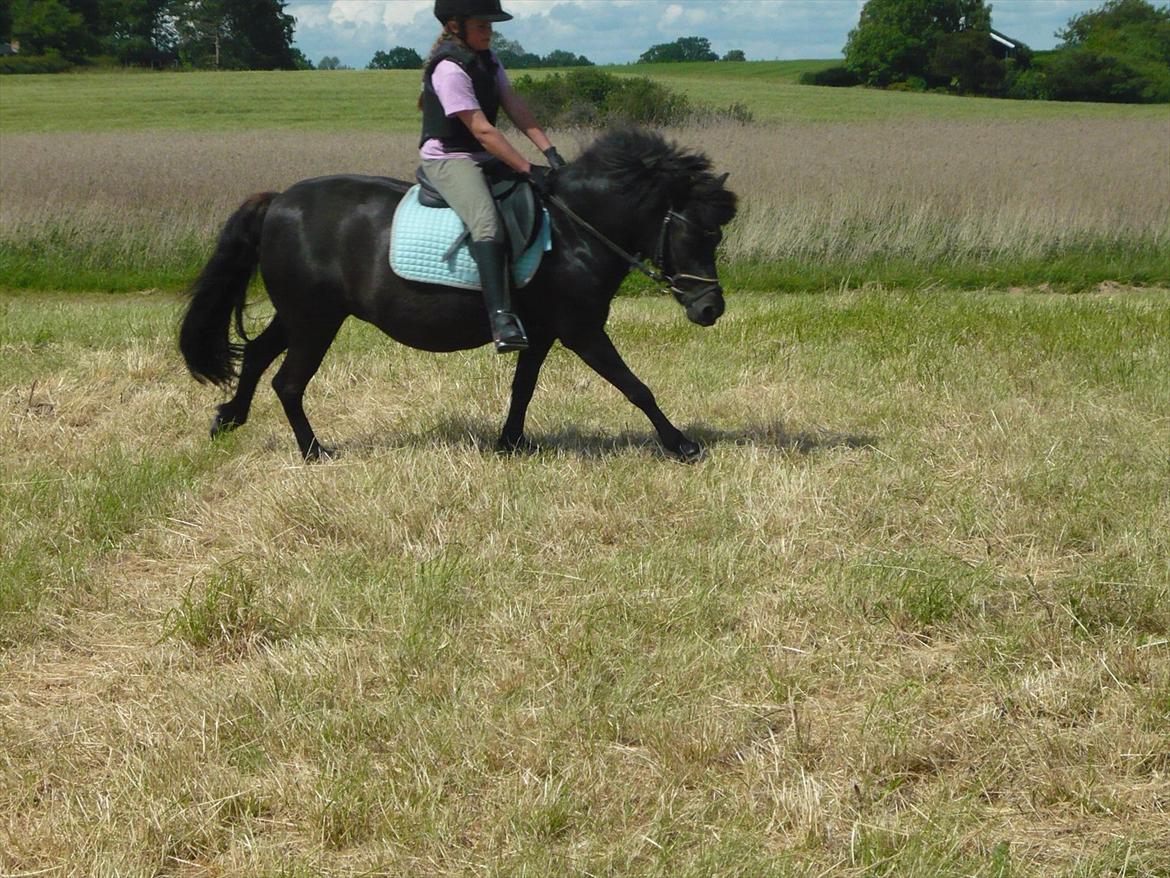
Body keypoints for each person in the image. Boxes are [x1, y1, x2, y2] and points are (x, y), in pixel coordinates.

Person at [419, 0, 566, 353]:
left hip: (483, 156)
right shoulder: (449, 69)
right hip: (449, 160)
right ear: (456, 26)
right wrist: (527, 167)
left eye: (491, 25)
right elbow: (482, 130)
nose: (490, 32)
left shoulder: (488, 60)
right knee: (487, 224)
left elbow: (514, 105)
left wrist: (550, 152)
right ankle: (501, 318)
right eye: (482, 25)